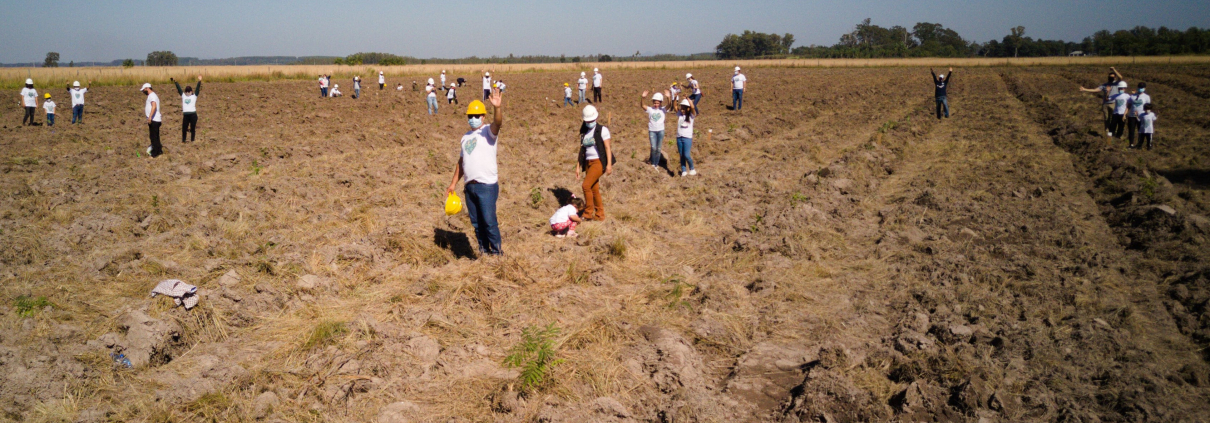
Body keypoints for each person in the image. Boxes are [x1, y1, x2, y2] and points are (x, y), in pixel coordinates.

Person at [445, 89, 505, 256]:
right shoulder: (465, 138)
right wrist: (453, 183)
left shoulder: (488, 132)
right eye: (470, 116)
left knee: (489, 222)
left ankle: (498, 255)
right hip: (469, 187)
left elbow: (498, 123)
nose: (472, 119)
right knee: (477, 224)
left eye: (476, 116)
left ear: (483, 117)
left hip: (486, 186)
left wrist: (497, 108)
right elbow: (461, 163)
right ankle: (484, 253)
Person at [576, 105, 613, 221]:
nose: (589, 122)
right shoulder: (584, 131)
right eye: (587, 121)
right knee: (594, 188)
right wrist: (578, 167)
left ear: (595, 118)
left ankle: (587, 213)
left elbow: (607, 148)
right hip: (588, 162)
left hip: (598, 162)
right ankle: (600, 215)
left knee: (585, 186)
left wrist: (609, 165)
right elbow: (582, 150)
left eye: (591, 120)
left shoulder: (602, 130)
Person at [1079, 67, 1125, 137]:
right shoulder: (1104, 85)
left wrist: (1114, 70)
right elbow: (1095, 90)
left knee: (1114, 119)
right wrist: (1085, 89)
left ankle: (1113, 132)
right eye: (1110, 77)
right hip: (1105, 104)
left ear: (1115, 77)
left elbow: (1121, 77)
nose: (1111, 78)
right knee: (1106, 119)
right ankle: (1107, 132)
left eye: (1112, 77)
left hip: (1114, 104)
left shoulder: (1116, 84)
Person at [640, 90, 668, 168]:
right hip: (652, 131)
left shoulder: (663, 109)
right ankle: (652, 163)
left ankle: (656, 164)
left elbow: (669, 105)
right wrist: (643, 98)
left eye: (658, 103)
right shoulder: (650, 109)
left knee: (658, 149)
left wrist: (669, 97)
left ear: (661, 103)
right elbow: (643, 106)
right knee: (653, 147)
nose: (656, 105)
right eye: (655, 103)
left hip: (660, 131)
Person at [171, 75, 203, 143]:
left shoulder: (194, 96)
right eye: (186, 91)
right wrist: (175, 81)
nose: (188, 93)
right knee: (184, 128)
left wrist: (199, 81)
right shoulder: (183, 96)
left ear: (191, 92)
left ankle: (192, 140)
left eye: (189, 91)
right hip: (186, 115)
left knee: (192, 128)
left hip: (193, 115)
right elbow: (179, 89)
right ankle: (183, 140)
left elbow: (197, 88)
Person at [675, 99, 697, 176]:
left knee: (687, 155)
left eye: (684, 108)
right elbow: (675, 106)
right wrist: (675, 98)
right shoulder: (680, 115)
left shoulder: (691, 116)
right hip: (679, 137)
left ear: (688, 108)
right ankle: (683, 170)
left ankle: (692, 168)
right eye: (681, 108)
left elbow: (693, 107)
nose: (682, 110)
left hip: (687, 138)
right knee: (681, 155)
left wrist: (688, 99)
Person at [141, 83, 163, 157]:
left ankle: (155, 154)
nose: (143, 92)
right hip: (154, 119)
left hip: (154, 120)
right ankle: (159, 151)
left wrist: (150, 117)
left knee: (154, 137)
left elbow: (154, 106)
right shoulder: (151, 96)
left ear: (147, 88)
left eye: (143, 90)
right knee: (154, 136)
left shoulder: (152, 96)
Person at [1126, 82, 1151, 147]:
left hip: (1141, 116)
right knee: (1131, 130)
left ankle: (1139, 144)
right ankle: (1131, 144)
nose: (1140, 89)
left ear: (1144, 88)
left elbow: (1148, 107)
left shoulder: (1146, 97)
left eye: (1142, 88)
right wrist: (1125, 114)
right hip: (1132, 115)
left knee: (1140, 130)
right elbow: (1129, 105)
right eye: (1139, 87)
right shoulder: (1132, 96)